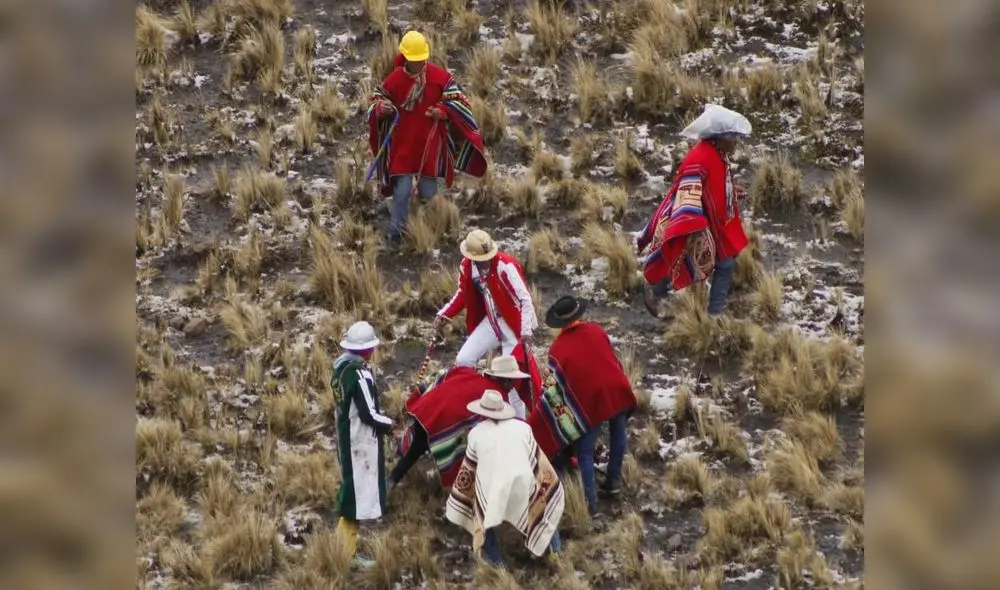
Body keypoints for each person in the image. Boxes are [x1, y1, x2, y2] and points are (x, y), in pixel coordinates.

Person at [367, 30, 487, 244]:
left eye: (421, 59)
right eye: (414, 60)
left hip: (430, 146)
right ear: (405, 57)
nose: (418, 63)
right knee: (402, 193)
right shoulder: (395, 78)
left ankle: (430, 232)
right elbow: (378, 97)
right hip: (403, 147)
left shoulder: (440, 77)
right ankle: (396, 235)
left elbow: (459, 101)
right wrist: (380, 108)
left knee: (428, 194)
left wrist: (444, 112)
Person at [635, 104, 752, 318]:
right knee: (715, 262)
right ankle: (713, 314)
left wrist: (731, 191)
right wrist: (693, 225)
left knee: (698, 260)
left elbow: (712, 188)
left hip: (713, 224)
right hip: (695, 224)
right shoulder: (699, 159)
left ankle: (659, 291)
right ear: (719, 138)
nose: (735, 143)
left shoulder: (716, 155)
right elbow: (687, 194)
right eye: (732, 138)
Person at [528, 295, 638, 515]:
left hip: (590, 402)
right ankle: (613, 481)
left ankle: (590, 504)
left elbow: (555, 389)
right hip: (617, 387)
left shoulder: (557, 350)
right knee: (618, 431)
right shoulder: (597, 330)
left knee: (584, 451)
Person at [445, 390, 564, 568]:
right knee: (543, 504)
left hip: (494, 491)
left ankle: (497, 565)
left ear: (482, 411)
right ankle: (556, 551)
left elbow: (469, 471)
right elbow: (538, 463)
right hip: (523, 483)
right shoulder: (522, 428)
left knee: (482, 513)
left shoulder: (475, 434)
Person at [388, 356, 530, 490]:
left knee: (417, 448)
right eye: (511, 381)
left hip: (427, 408)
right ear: (504, 380)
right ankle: (458, 493)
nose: (512, 386)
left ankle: (393, 479)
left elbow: (443, 374)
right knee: (460, 453)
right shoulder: (497, 397)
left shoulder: (467, 372)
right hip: (442, 420)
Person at [434, 229, 542, 400]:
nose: (485, 262)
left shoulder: (506, 265)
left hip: (515, 325)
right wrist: (444, 314)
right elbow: (462, 293)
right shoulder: (467, 267)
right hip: (492, 321)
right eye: (480, 260)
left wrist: (525, 332)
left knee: (512, 378)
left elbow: (525, 299)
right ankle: (477, 400)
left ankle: (517, 423)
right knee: (464, 360)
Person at [331, 321, 393, 568]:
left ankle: (341, 546)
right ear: (368, 349)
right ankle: (347, 555)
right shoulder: (360, 374)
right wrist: (389, 423)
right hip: (360, 441)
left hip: (346, 437)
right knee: (354, 499)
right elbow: (368, 413)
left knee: (350, 491)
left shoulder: (340, 369)